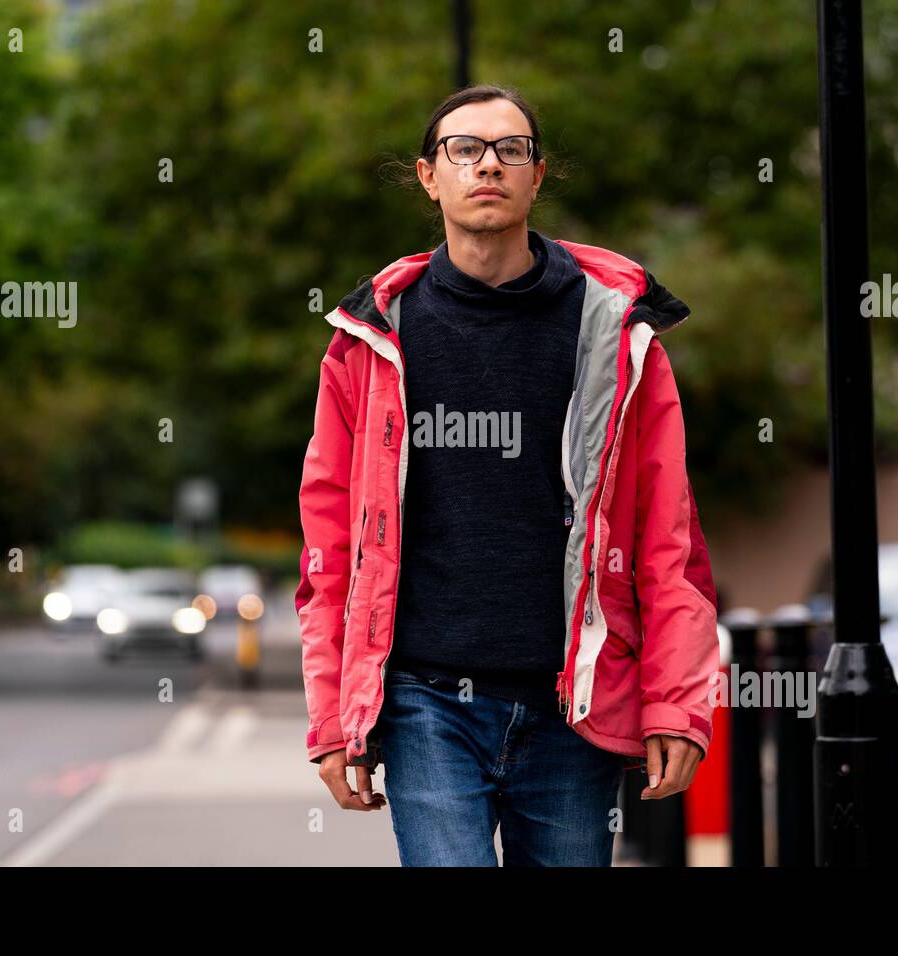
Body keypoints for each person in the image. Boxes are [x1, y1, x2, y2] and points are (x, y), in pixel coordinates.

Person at [295, 84, 719, 866]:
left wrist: (679, 705)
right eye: (465, 149)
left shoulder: (615, 334)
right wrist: (334, 717)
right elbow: (329, 554)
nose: (487, 166)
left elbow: (669, 539)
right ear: (430, 176)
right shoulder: (369, 341)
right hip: (426, 700)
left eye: (510, 150)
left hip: (572, 700)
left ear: (537, 174)